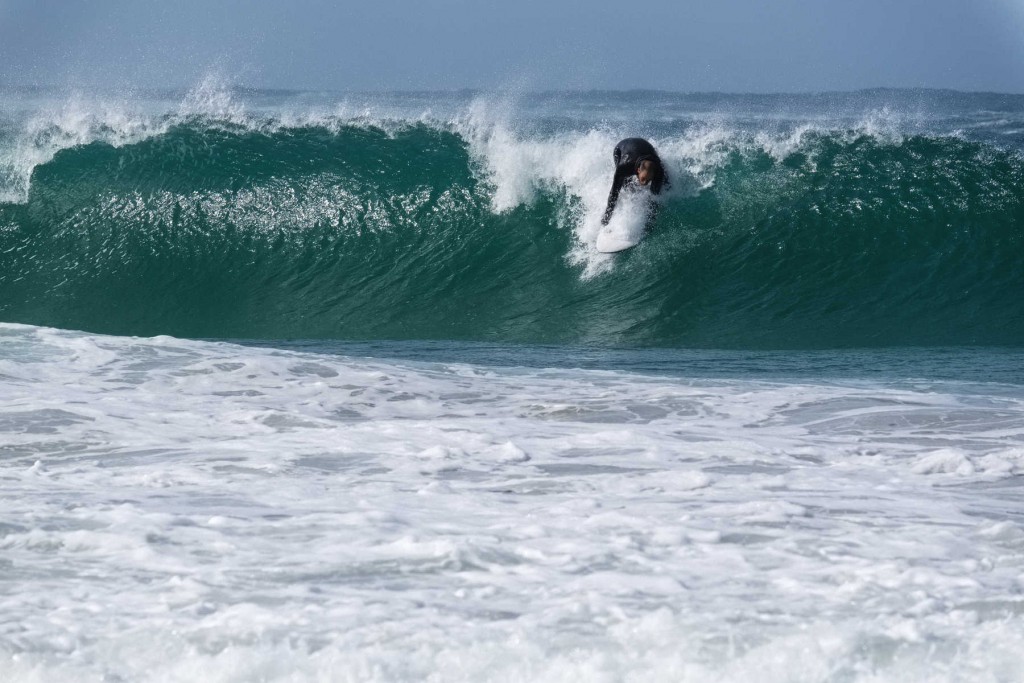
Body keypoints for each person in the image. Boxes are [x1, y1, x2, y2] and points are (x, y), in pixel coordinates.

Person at [601, 137, 669, 225]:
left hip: (646, 148)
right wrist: (607, 216)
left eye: (649, 180)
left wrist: (650, 222)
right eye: (643, 179)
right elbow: (613, 193)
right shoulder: (624, 166)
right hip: (621, 148)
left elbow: (654, 200)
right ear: (638, 171)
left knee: (662, 185)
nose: (645, 183)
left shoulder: (659, 172)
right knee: (624, 184)